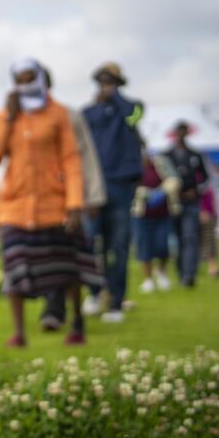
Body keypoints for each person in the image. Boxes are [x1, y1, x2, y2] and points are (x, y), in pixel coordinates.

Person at [0, 58, 97, 347]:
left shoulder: (58, 114)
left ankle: (76, 321)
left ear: (40, 79)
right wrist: (9, 119)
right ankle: (19, 333)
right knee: (15, 269)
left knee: (67, 269)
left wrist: (74, 204)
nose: (24, 84)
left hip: (54, 205)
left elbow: (72, 161)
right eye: (19, 79)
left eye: (29, 78)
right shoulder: (4, 116)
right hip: (15, 207)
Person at [37, 65, 107, 332]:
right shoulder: (18, 118)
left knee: (68, 254)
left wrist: (92, 195)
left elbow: (86, 156)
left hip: (70, 198)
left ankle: (67, 308)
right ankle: (55, 307)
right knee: (46, 255)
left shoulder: (69, 115)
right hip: (39, 202)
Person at [81, 62, 145, 322]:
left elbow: (133, 116)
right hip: (95, 189)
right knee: (90, 243)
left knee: (118, 246)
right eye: (102, 81)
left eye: (111, 82)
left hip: (120, 187)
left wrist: (115, 97)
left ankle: (116, 302)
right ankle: (95, 292)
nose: (105, 86)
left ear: (119, 84)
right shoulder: (88, 113)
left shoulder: (132, 108)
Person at [164, 121, 211, 287]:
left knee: (190, 237)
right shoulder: (166, 155)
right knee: (177, 239)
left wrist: (195, 191)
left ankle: (189, 275)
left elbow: (206, 178)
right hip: (173, 203)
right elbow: (162, 178)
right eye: (179, 132)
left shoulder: (195, 155)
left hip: (191, 202)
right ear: (175, 133)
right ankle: (181, 272)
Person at [133, 145, 182, 292]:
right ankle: (147, 279)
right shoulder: (133, 166)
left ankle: (161, 273)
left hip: (164, 214)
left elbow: (175, 179)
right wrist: (145, 193)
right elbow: (130, 185)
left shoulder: (161, 162)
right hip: (142, 215)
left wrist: (161, 191)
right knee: (144, 247)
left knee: (163, 245)